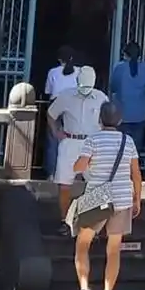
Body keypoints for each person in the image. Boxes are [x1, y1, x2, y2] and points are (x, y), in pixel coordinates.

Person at [68, 100, 142, 290]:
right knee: (114, 250)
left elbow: (80, 166)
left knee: (82, 244)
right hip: (122, 199)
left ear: (99, 119)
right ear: (119, 120)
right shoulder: (127, 142)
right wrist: (137, 199)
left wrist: (80, 163)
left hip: (97, 199)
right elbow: (136, 174)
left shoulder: (93, 140)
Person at [49, 65, 107, 231]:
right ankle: (65, 221)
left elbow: (107, 120)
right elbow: (51, 114)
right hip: (70, 142)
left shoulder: (101, 98)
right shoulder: (65, 96)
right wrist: (56, 131)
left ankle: (91, 222)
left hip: (92, 144)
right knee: (64, 184)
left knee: (96, 184)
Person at [108, 41, 145, 150]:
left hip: (122, 115)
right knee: (135, 150)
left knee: (120, 149)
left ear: (125, 54)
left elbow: (113, 87)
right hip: (140, 115)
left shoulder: (119, 68)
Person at [43, 47, 79, 178]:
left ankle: (52, 173)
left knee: (53, 140)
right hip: (73, 105)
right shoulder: (79, 72)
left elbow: (48, 91)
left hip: (55, 105)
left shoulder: (53, 72)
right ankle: (70, 172)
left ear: (59, 59)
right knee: (72, 140)